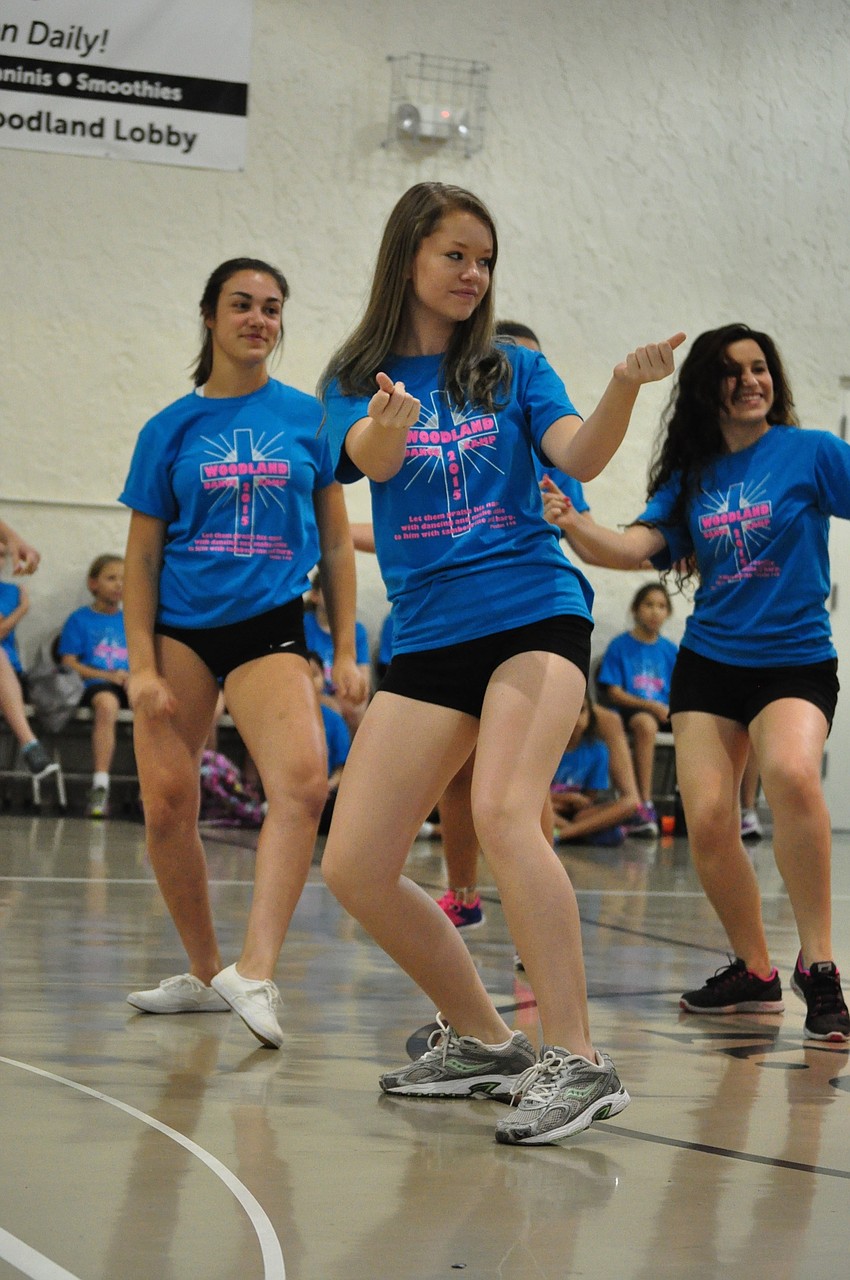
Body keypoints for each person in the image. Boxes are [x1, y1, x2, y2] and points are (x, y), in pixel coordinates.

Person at [319, 180, 682, 1144]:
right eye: (455, 255)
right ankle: (483, 1039)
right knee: (355, 864)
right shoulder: (355, 374)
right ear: (408, 260)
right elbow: (365, 458)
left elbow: (583, 455)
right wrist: (383, 431)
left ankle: (579, 1059)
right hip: (432, 637)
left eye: (485, 258)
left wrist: (625, 385)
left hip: (533, 614)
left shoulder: (513, 367)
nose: (474, 273)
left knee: (505, 810)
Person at [555, 322, 850, 1042]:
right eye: (732, 370)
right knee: (709, 818)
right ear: (704, 389)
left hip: (793, 659)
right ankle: (755, 970)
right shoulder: (691, 480)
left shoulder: (811, 453)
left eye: (760, 368)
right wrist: (569, 519)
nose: (751, 380)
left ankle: (820, 967)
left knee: (790, 773)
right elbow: (631, 549)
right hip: (711, 665)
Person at [120, 257, 364, 1049]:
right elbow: (143, 560)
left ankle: (255, 972)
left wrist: (348, 648)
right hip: (181, 632)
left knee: (300, 787)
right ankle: (204, 971)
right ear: (209, 317)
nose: (258, 319)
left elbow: (334, 541)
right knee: (166, 804)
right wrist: (142, 665)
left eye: (271, 308)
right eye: (241, 305)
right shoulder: (168, 429)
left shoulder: (310, 420)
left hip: (270, 624)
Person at [595, 582, 678, 833]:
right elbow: (614, 691)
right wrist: (650, 706)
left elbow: (681, 689)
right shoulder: (621, 646)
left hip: (664, 710)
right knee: (645, 723)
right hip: (633, 710)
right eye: (649, 605)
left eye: (662, 606)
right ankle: (644, 803)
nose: (655, 612)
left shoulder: (670, 650)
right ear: (635, 609)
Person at [58, 554, 129, 818]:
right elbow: (69, 661)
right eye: (111, 578)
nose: (118, 584)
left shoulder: (131, 619)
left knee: (151, 706)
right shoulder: (80, 619)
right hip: (96, 683)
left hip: (128, 681)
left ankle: (152, 788)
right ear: (93, 583)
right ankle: (101, 786)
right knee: (107, 706)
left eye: (124, 579)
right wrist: (107, 676)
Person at [550, 695, 639, 846]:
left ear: (591, 714)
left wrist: (578, 802)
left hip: (575, 813)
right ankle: (582, 833)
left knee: (630, 805)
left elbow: (589, 799)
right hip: (551, 808)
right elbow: (535, 796)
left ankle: (564, 834)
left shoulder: (598, 751)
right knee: (535, 810)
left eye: (582, 711)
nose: (577, 719)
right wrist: (569, 798)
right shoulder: (547, 747)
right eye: (570, 712)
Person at [0, 579, 57, 777]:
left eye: (1, 555)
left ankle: (30, 745)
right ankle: (30, 745)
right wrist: (23, 609)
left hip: (7, 676)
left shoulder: (9, 591)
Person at [304, 567, 371, 733]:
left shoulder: (357, 631)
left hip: (343, 699)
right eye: (330, 590)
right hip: (309, 696)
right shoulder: (303, 625)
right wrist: (323, 700)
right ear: (315, 595)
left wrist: (347, 701)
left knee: (358, 709)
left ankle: (354, 758)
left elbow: (363, 683)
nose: (337, 597)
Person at [307, 649, 351, 833]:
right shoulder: (282, 722)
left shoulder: (334, 720)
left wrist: (326, 787)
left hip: (327, 793)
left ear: (324, 680)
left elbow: (342, 771)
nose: (308, 682)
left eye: (314, 675)